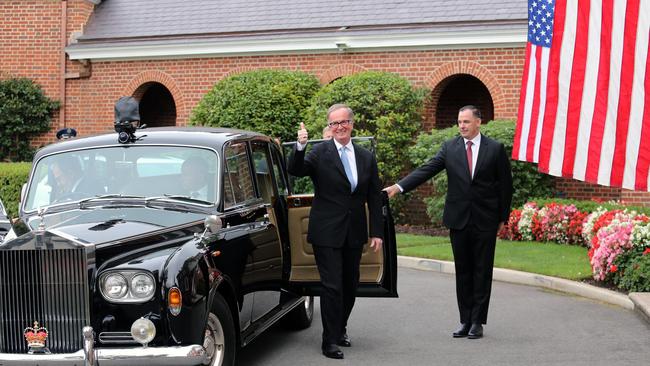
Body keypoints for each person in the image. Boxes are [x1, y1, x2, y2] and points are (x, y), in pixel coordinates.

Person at [384, 105, 513, 339]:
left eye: (466, 121)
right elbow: (427, 170)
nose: (461, 126)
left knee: (482, 271)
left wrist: (503, 217)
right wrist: (399, 186)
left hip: (485, 220)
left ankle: (477, 322)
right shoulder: (450, 148)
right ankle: (464, 320)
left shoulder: (495, 149)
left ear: (478, 122)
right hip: (459, 219)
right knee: (463, 272)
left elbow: (505, 186)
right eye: (459, 122)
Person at [288, 104, 383, 360]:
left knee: (350, 285)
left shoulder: (365, 157)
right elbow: (296, 170)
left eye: (344, 122)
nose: (339, 127)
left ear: (352, 124)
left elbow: (374, 196)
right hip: (326, 232)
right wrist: (300, 146)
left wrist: (377, 232)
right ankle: (329, 341)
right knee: (332, 286)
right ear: (329, 127)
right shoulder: (320, 153)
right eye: (334, 124)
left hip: (354, 232)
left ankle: (340, 328)